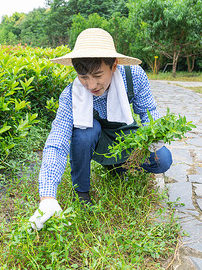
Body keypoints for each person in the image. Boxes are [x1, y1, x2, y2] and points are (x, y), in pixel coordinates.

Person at [29, 28, 172, 231]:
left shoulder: (134, 76)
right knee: (85, 132)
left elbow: (148, 111)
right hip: (94, 138)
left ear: (113, 65)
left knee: (162, 160)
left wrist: (154, 134)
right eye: (83, 77)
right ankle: (82, 192)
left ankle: (119, 166)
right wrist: (47, 197)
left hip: (124, 133)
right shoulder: (71, 95)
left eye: (97, 75)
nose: (91, 85)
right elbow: (57, 141)